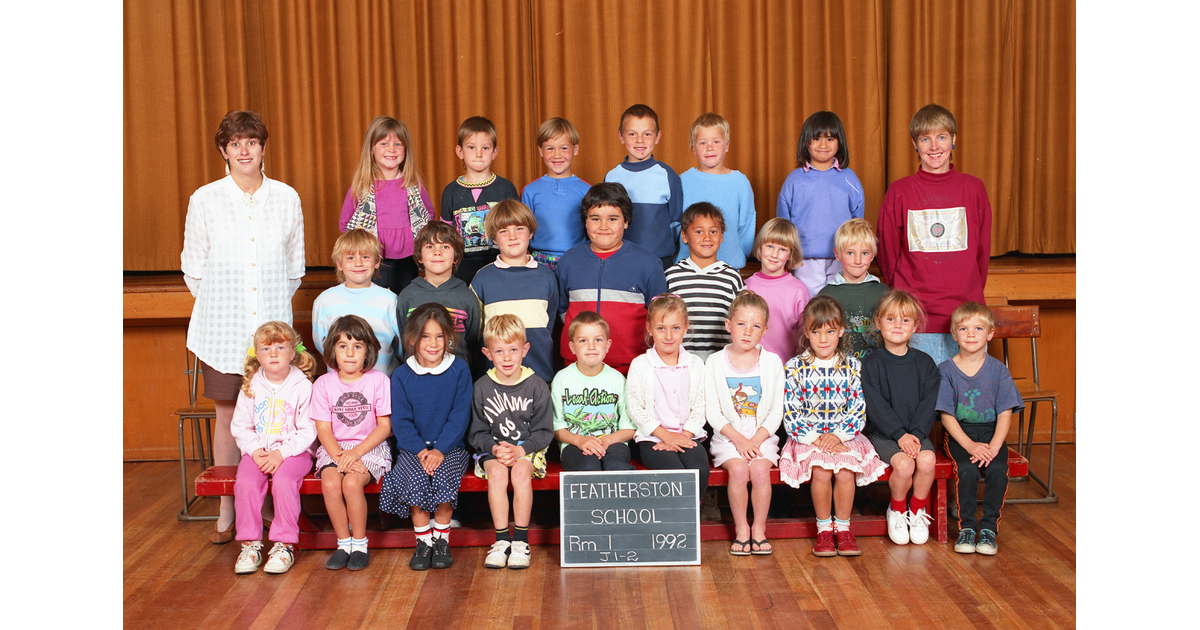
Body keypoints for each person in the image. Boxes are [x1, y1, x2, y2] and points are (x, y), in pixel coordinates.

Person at [181, 109, 305, 544]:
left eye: (251, 142)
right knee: (231, 414)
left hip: (272, 335)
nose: (244, 150)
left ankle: (267, 502)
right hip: (223, 331)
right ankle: (229, 504)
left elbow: (294, 270)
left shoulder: (287, 198)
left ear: (262, 147)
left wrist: (265, 316)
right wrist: (227, 307)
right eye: (235, 143)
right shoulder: (205, 199)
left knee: (276, 417)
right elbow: (192, 270)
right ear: (224, 151)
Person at [876, 103, 992, 366]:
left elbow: (981, 252)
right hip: (916, 319)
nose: (934, 146)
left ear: (953, 140)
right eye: (925, 139)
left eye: (941, 137)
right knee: (920, 402)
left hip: (965, 319)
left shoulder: (974, 189)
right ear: (915, 145)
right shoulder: (899, 191)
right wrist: (906, 298)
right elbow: (888, 255)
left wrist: (969, 290)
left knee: (964, 404)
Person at [779, 295, 885, 557]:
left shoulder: (851, 366)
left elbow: (858, 409)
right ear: (806, 332)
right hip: (807, 437)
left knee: (846, 471)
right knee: (822, 471)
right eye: (816, 332)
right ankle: (824, 530)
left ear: (841, 331)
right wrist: (815, 438)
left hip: (845, 436)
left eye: (829, 331)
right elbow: (790, 410)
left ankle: (844, 529)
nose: (823, 339)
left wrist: (837, 436)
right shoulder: (795, 367)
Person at [380, 304, 473, 571]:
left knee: (444, 476)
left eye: (439, 336)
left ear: (449, 339)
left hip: (450, 447)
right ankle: (423, 543)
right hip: (413, 449)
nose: (433, 343)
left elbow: (459, 416)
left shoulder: (459, 370)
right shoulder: (402, 375)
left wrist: (440, 449)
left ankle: (441, 540)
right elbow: (401, 421)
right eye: (425, 336)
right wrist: (422, 451)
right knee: (415, 477)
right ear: (412, 339)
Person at [230, 321, 318, 575]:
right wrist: (256, 450)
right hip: (258, 452)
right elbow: (240, 426)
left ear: (293, 353)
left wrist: (282, 453)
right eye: (267, 349)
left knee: (284, 482)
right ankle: (250, 544)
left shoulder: (303, 386)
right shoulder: (250, 386)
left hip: (294, 452)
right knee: (245, 482)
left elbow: (308, 429)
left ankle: (284, 544)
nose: (274, 354)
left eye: (281, 347)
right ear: (257, 355)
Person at [468, 315, 554, 570]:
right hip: (493, 450)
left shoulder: (537, 385)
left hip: (528, 449)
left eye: (513, 350)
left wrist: (519, 450)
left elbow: (544, 431)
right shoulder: (482, 386)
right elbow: (477, 432)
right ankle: (502, 540)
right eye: (499, 351)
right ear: (487, 353)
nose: (507, 358)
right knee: (496, 474)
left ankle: (521, 541)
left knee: (519, 472)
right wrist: (494, 448)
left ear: (525, 350)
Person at [937, 302, 1023, 556]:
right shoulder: (946, 370)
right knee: (966, 469)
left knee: (997, 469)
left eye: (978, 328)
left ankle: (987, 530)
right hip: (959, 434)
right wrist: (969, 445)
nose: (971, 334)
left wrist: (994, 446)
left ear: (990, 333)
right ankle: (967, 527)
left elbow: (1005, 412)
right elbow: (946, 414)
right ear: (954, 334)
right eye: (964, 328)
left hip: (991, 433)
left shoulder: (998, 370)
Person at [556, 182, 668, 374]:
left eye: (613, 219)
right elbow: (562, 310)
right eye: (595, 218)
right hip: (576, 368)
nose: (603, 226)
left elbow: (659, 317)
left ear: (626, 221)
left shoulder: (648, 263)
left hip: (632, 369)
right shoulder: (569, 261)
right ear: (585, 221)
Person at [703, 291, 783, 556]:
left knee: (759, 471)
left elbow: (775, 412)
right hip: (728, 437)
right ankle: (741, 529)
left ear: (765, 330)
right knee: (738, 471)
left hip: (762, 436)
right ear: (728, 325)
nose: (748, 331)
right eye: (741, 324)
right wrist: (739, 440)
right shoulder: (714, 362)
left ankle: (758, 529)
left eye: (756, 326)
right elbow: (713, 412)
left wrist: (756, 440)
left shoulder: (772, 363)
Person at [310, 315, 393, 571]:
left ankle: (359, 544)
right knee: (332, 482)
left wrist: (355, 453)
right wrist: (339, 455)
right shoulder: (323, 384)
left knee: (352, 482)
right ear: (332, 350)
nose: (349, 353)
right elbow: (323, 428)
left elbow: (385, 427)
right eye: (342, 346)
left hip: (370, 447)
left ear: (368, 350)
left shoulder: (379, 380)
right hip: (334, 448)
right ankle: (343, 543)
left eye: (357, 346)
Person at [860, 291, 939, 546]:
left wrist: (914, 434)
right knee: (904, 466)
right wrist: (899, 434)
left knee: (927, 460)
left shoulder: (926, 364)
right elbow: (875, 406)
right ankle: (896, 509)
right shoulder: (871, 364)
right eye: (891, 318)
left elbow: (929, 405)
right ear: (878, 322)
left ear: (915, 326)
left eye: (905, 320)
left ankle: (916, 510)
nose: (897, 325)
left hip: (916, 434)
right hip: (883, 434)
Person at [625, 295, 710, 503]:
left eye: (676, 328)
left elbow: (700, 406)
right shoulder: (640, 364)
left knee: (699, 470)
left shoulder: (695, 364)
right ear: (649, 328)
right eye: (661, 328)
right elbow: (635, 408)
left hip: (689, 437)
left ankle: (690, 524)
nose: (669, 335)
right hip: (653, 438)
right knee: (674, 473)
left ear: (686, 327)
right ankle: (674, 527)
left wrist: (684, 435)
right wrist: (665, 436)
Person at [339, 115, 435, 295]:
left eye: (397, 144)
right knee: (373, 298)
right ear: (371, 148)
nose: (391, 149)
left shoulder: (413, 184)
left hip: (407, 258)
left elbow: (427, 214)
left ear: (406, 149)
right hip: (374, 258)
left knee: (406, 300)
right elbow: (345, 224)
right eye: (384, 143)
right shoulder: (361, 187)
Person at [775, 111, 865, 298]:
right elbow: (783, 224)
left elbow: (858, 225)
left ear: (839, 143)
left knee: (838, 308)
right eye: (816, 138)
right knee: (808, 311)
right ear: (806, 142)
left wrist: (853, 254)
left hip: (842, 259)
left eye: (830, 138)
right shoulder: (794, 180)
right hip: (804, 261)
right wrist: (787, 257)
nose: (823, 145)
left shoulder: (850, 179)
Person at [470, 199, 560, 383]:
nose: (512, 236)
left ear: (531, 232)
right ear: (494, 238)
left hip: (540, 376)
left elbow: (549, 325)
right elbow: (475, 332)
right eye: (504, 231)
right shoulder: (482, 278)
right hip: (495, 381)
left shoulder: (546, 276)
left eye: (519, 228)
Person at [552, 311, 637, 471]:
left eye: (598, 340)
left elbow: (629, 428)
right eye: (583, 341)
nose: (591, 346)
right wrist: (580, 441)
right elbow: (557, 428)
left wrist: (605, 441)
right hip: (574, 444)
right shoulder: (562, 379)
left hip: (614, 443)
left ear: (608, 345)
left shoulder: (617, 379)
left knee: (615, 466)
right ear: (572, 347)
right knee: (588, 467)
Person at [440, 115, 519, 284]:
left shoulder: (506, 188)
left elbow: (518, 228)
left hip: (500, 263)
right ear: (460, 151)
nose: (478, 154)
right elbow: (446, 235)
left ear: (494, 152)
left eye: (485, 148)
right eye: (471, 147)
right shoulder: (450, 191)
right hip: (462, 267)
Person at [312, 229, 402, 376]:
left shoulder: (390, 300)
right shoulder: (324, 301)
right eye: (350, 258)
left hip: (383, 387)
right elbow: (322, 345)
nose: (358, 263)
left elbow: (400, 347)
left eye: (365, 257)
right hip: (341, 385)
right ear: (339, 264)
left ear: (377, 261)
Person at [604, 104, 684, 267]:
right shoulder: (612, 177)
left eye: (647, 134)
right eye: (632, 134)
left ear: (657, 136)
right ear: (621, 136)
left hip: (660, 260)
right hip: (621, 259)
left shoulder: (667, 175)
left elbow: (676, 221)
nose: (639, 140)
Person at [665, 202, 745, 361]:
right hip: (680, 360)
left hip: (720, 362)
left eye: (713, 231)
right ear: (684, 236)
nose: (707, 238)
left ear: (721, 236)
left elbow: (741, 320)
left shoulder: (732, 278)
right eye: (699, 231)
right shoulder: (671, 276)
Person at [676, 112, 756, 271]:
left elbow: (746, 225)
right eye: (703, 143)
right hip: (687, 266)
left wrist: (739, 254)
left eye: (716, 141)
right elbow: (674, 224)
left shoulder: (740, 182)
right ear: (693, 148)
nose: (710, 148)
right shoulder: (682, 181)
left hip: (728, 266)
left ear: (727, 146)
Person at [396, 221, 481, 366]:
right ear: (419, 257)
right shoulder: (407, 296)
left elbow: (472, 342)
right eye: (430, 247)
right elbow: (403, 339)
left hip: (457, 376)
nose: (437, 252)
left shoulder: (467, 297)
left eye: (445, 247)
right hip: (416, 374)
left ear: (456, 257)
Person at [521, 117, 591, 270]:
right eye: (550, 148)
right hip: (538, 261)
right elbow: (524, 230)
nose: (557, 155)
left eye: (564, 148)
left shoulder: (587, 190)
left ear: (576, 149)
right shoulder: (530, 190)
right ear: (540, 151)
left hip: (576, 259)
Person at [818, 218, 889, 359]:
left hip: (876, 371)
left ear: (873, 254)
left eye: (864, 253)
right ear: (837, 254)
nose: (858, 260)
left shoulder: (882, 292)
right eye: (850, 253)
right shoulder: (826, 295)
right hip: (840, 371)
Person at [744, 218, 810, 362]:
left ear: (790, 254)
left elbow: (805, 336)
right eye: (770, 246)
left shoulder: (799, 290)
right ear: (760, 247)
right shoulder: (745, 286)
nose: (774, 254)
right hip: (750, 368)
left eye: (782, 249)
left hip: (786, 368)